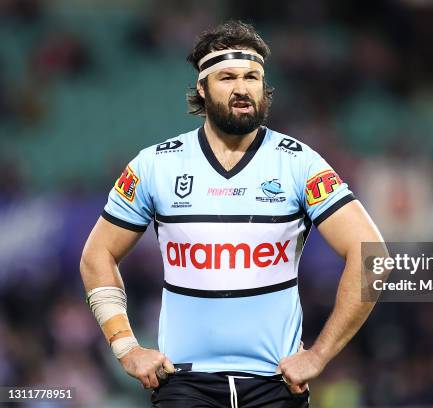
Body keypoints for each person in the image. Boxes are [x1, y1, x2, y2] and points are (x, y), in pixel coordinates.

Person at [80, 20, 384, 408]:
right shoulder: (155, 165)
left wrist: (320, 354)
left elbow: (372, 256)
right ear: (203, 89)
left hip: (276, 385)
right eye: (227, 77)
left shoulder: (300, 164)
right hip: (184, 384)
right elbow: (96, 255)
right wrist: (125, 347)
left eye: (252, 76)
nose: (243, 88)